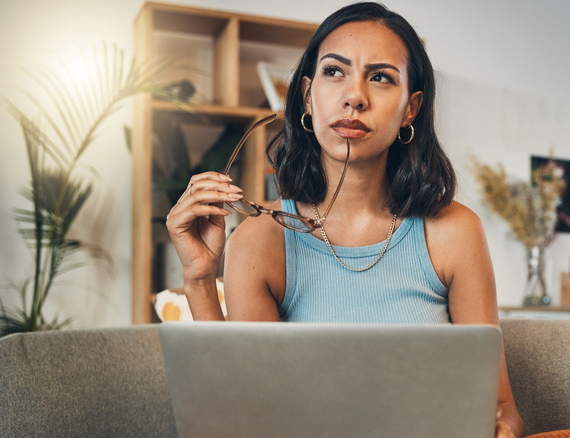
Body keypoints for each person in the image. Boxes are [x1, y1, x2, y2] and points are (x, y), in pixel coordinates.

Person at [166, 3, 525, 437]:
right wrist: (200, 279)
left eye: (381, 77)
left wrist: (501, 429)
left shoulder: (454, 232)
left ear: (411, 108)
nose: (355, 96)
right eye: (334, 71)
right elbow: (246, 416)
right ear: (307, 95)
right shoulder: (260, 241)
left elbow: (501, 407)